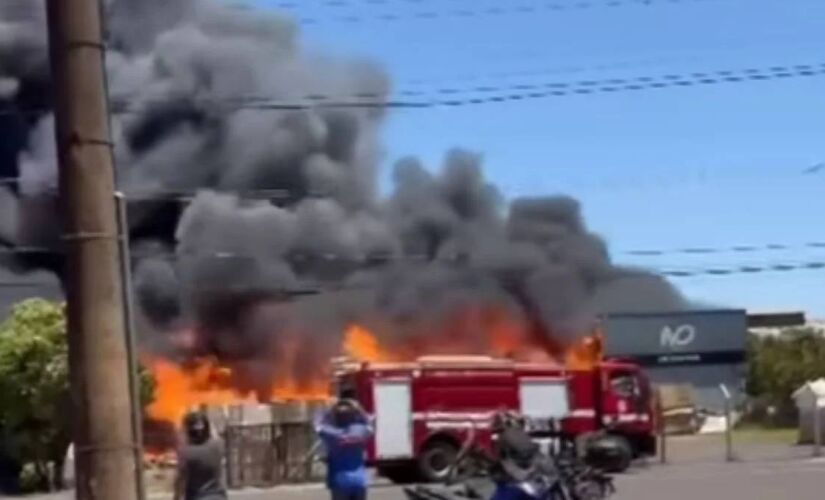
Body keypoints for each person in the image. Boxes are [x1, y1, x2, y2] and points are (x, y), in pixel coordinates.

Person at [315, 398, 374, 500]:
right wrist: (358, 408)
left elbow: (318, 425)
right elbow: (370, 424)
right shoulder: (360, 431)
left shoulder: (331, 433)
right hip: (359, 481)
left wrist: (329, 409)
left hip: (339, 481)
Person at [173, 411, 227, 500]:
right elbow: (214, 434)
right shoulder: (218, 446)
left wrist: (176, 497)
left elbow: (180, 480)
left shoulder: (186, 453)